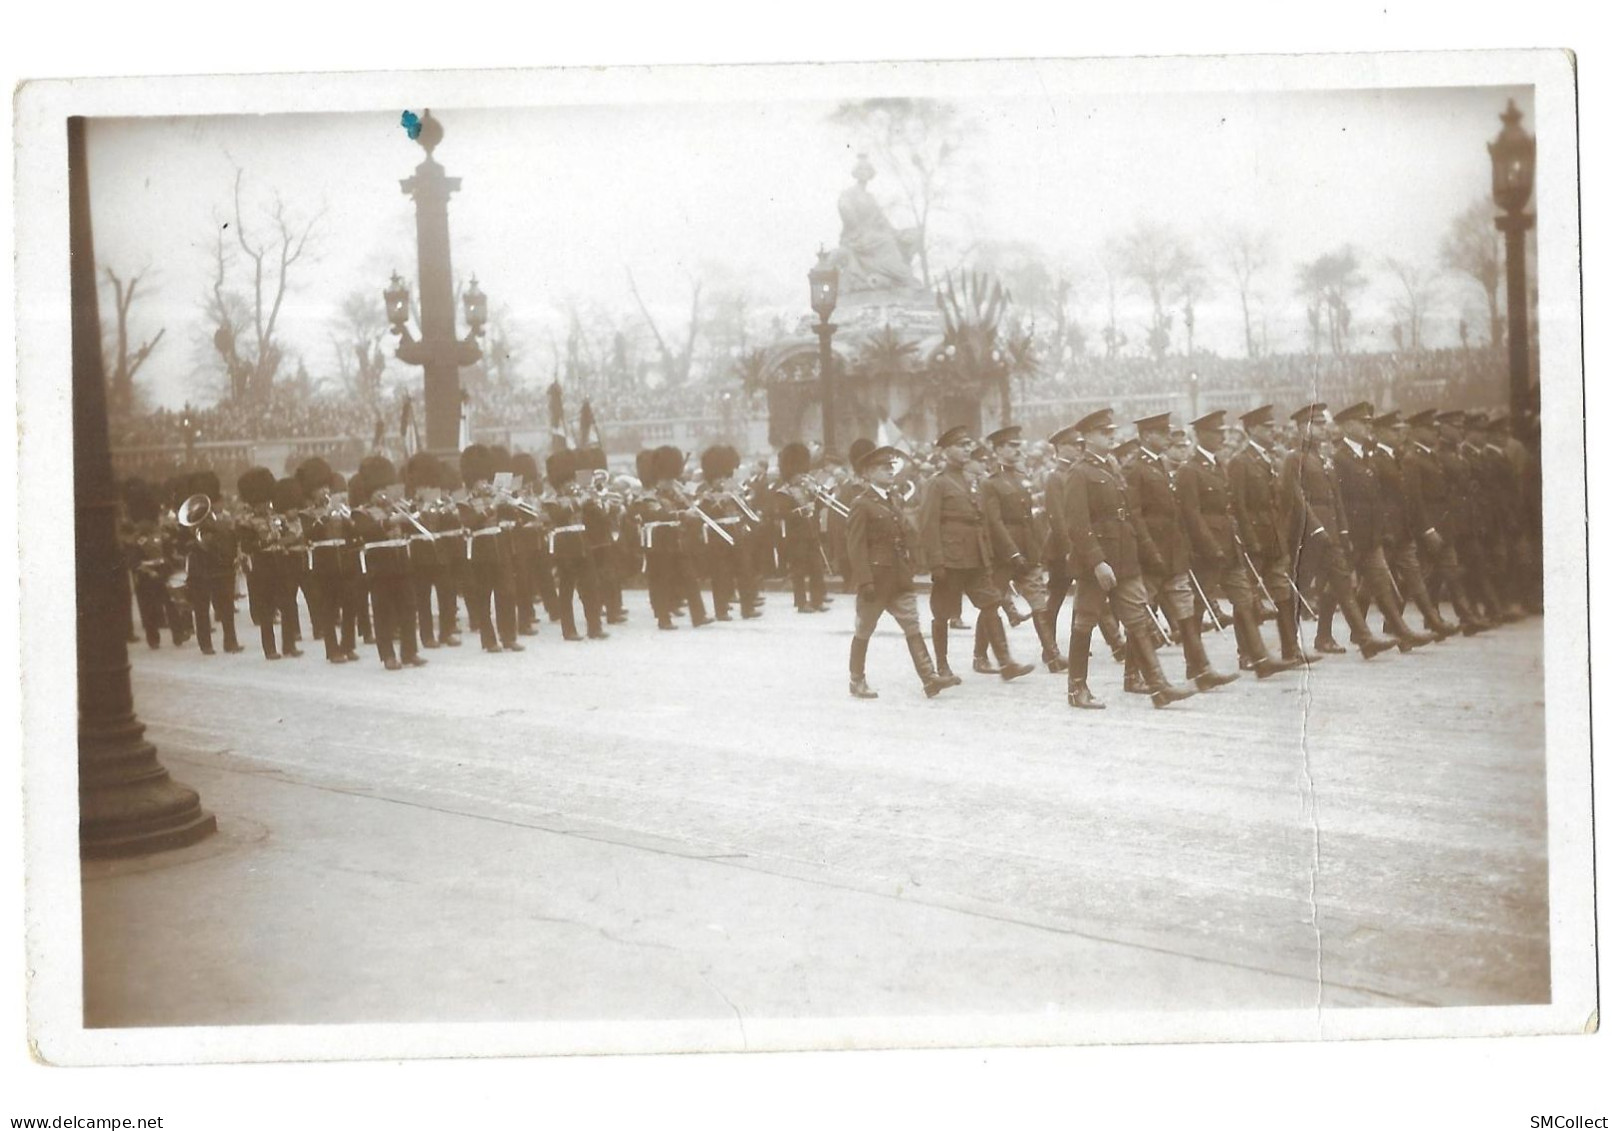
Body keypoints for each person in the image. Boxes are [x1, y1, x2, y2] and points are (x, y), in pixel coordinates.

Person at [1063, 408, 1196, 709]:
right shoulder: (1078, 473)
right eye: (1103, 432)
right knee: (1085, 621)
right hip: (1097, 564)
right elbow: (1077, 524)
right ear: (1086, 437)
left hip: (1125, 558)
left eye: (1111, 431)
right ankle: (1077, 688)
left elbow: (1127, 515)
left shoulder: (1110, 467)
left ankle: (1158, 686)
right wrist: (1097, 561)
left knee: (1138, 617)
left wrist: (1141, 553)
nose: (1111, 436)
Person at [1178, 411, 1299, 679]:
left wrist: (1235, 541)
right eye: (1215, 432)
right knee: (1198, 606)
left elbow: (1229, 507)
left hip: (1230, 548)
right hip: (1207, 550)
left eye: (1223, 432)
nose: (1222, 436)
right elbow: (1192, 514)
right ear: (1200, 435)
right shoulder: (1189, 469)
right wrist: (1210, 546)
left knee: (1244, 600)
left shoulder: (1218, 464)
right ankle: (1195, 664)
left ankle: (1260, 658)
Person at [1130, 412, 1240, 689]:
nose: (1169, 436)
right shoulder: (1136, 468)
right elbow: (1135, 516)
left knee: (1185, 610)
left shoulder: (1161, 465)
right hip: (1152, 554)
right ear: (1145, 436)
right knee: (1141, 613)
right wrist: (1148, 550)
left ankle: (1199, 669)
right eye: (1161, 432)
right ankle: (1132, 675)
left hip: (1173, 552)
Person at [1280, 404, 1398, 659]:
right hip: (1308, 532)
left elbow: (1335, 499)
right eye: (1317, 424)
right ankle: (1290, 645)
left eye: (1324, 423)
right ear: (1302, 428)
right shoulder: (1294, 458)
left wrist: (1342, 530)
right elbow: (1298, 498)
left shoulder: (1323, 458)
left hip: (1330, 531)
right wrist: (1317, 527)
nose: (1323, 428)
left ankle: (1365, 639)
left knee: (1343, 584)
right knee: (1298, 588)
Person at [918, 425, 1032, 682]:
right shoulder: (937, 483)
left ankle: (1006, 662)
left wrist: (987, 555)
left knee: (991, 604)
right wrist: (936, 562)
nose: (968, 449)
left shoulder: (972, 481)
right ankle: (943, 666)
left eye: (969, 444)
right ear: (947, 451)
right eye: (961, 445)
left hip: (976, 558)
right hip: (951, 559)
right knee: (942, 614)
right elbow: (928, 524)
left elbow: (981, 521)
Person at [845, 444, 953, 699]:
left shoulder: (893, 498)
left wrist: (916, 559)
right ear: (869, 472)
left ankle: (929, 678)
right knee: (864, 629)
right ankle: (856, 679)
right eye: (884, 467)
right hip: (876, 579)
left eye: (891, 466)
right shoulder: (862, 504)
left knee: (912, 625)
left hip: (899, 576)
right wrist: (864, 581)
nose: (891, 470)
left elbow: (905, 533)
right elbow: (856, 547)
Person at [1332, 402, 1432, 651]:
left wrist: (1381, 528)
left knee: (1381, 582)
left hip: (1371, 534)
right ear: (1346, 426)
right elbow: (1340, 500)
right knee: (1334, 587)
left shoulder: (1365, 454)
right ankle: (1324, 635)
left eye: (1368, 422)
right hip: (1351, 533)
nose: (1368, 426)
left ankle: (1395, 633)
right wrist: (1344, 533)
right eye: (1362, 422)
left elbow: (1376, 497)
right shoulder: (1339, 457)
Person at [1227, 405, 1318, 666]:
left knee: (1282, 592)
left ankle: (1290, 648)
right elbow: (1240, 505)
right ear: (1252, 430)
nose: (1273, 431)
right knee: (1248, 596)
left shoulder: (1273, 459)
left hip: (1274, 536)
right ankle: (1246, 653)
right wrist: (1249, 539)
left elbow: (1281, 500)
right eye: (1267, 427)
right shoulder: (1240, 461)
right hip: (1253, 536)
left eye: (1273, 426)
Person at [981, 425, 1063, 671]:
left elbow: (1028, 517)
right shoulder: (990, 482)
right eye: (1012, 446)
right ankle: (981, 655)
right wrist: (1012, 551)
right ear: (998, 450)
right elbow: (994, 522)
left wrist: (1033, 548)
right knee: (992, 603)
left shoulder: (1019, 478)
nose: (1018, 450)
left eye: (1019, 445)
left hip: (1027, 549)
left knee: (1039, 602)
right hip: (1004, 554)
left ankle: (1053, 656)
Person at [1370, 411, 1457, 639]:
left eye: (1401, 430)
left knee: (1413, 575)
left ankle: (1429, 621)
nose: (1400, 434)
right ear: (1380, 433)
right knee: (1372, 583)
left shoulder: (1399, 457)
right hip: (1386, 531)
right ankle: (1359, 631)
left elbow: (1407, 497)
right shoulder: (1376, 459)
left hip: (1402, 529)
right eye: (1394, 431)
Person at [1403, 409, 1487, 635]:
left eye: (1435, 428)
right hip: (1429, 525)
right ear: (1417, 431)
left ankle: (1452, 618)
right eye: (1430, 429)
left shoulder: (1430, 456)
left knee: (1442, 572)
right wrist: (1427, 529)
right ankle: (1459, 617)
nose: (1434, 432)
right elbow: (1415, 499)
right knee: (1432, 574)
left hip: (1443, 523)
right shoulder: (1413, 459)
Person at [350, 459, 426, 671]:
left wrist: (414, 513)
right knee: (383, 613)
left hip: (401, 564)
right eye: (378, 491)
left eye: (385, 490)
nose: (382, 494)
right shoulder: (362, 512)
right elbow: (367, 531)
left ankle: (410, 652)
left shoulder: (396, 508)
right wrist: (391, 521)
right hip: (379, 568)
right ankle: (388, 656)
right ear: (370, 493)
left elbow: (412, 529)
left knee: (409, 609)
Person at [1037, 426, 1085, 672]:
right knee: (1055, 597)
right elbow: (1057, 516)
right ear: (1060, 448)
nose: (1078, 448)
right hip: (1061, 548)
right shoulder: (1055, 476)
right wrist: (1068, 548)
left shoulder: (1074, 473)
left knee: (1081, 596)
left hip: (1076, 544)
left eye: (1079, 445)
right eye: (1073, 445)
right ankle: (1049, 649)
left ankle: (1075, 645)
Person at [183, 469, 243, 655]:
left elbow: (231, 540)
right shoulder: (191, 523)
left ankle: (230, 642)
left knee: (226, 608)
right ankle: (206, 644)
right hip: (200, 570)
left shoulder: (222, 521)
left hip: (222, 568)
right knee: (202, 609)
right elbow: (188, 546)